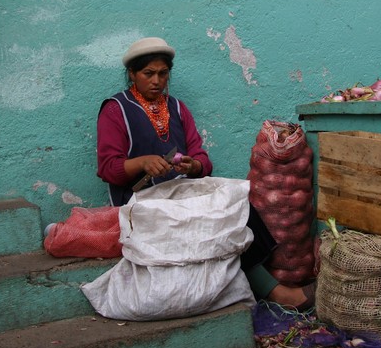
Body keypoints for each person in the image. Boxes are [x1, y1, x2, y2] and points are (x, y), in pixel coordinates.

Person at [96, 37, 315, 310]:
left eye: (163, 74)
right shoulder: (115, 109)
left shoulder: (177, 108)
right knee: (211, 219)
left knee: (236, 203)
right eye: (148, 74)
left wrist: (193, 166)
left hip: (177, 193)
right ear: (132, 74)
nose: (156, 81)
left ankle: (270, 284)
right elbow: (108, 169)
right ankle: (277, 293)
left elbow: (202, 160)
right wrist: (142, 163)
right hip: (139, 201)